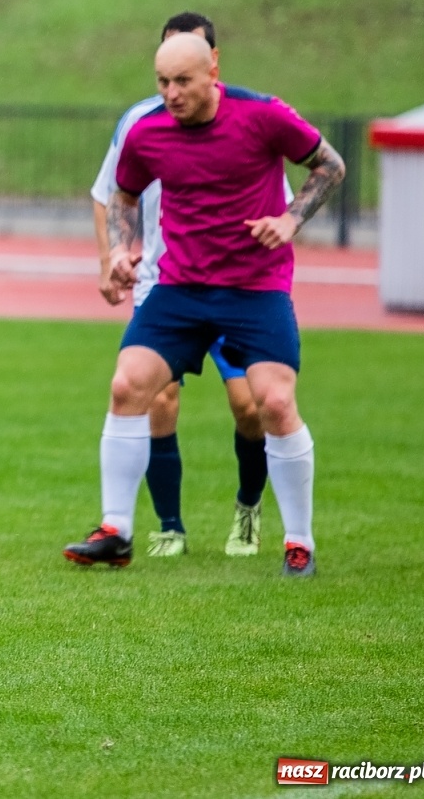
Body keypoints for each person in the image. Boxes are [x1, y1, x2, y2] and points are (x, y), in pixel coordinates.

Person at [64, 33, 344, 577]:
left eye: (182, 82)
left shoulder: (263, 115)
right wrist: (119, 249)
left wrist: (290, 220)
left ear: (213, 70)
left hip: (255, 289)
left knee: (273, 403)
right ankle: (117, 532)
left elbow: (329, 164)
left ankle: (299, 543)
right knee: (127, 387)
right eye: (162, 83)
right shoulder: (148, 132)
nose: (171, 94)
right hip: (180, 290)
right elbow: (123, 195)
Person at [90, 12, 283, 559]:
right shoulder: (140, 124)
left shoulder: (247, 120)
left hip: (236, 289)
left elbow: (281, 198)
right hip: (164, 284)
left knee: (250, 407)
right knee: (155, 396)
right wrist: (111, 259)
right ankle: (168, 526)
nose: (173, 86)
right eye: (165, 71)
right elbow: (109, 195)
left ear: (211, 63)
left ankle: (248, 509)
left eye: (186, 69)